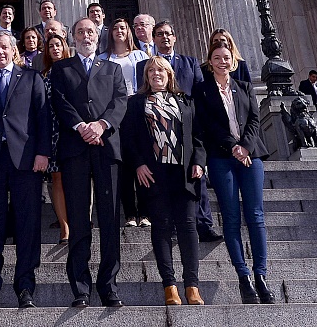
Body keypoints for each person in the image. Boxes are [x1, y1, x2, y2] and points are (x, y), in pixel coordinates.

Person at [0, 30, 51, 309]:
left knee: (28, 223)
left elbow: (42, 118)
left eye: (5, 47)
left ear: (14, 50)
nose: (0, 52)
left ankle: (25, 286)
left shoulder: (31, 78)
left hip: (26, 160)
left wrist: (43, 153)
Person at [49, 17, 128, 308]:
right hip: (75, 148)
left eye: (90, 31)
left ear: (98, 35)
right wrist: (82, 126)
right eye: (80, 31)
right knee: (79, 219)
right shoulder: (61, 69)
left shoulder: (113, 68)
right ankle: (80, 287)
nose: (86, 35)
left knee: (109, 219)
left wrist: (101, 125)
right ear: (73, 37)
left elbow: (120, 102)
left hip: (107, 149)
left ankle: (109, 286)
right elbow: (59, 102)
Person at [194, 39, 274, 304]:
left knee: (256, 216)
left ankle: (261, 275)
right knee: (230, 217)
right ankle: (243, 277)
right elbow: (207, 125)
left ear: (234, 60)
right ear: (210, 62)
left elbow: (254, 119)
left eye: (226, 57)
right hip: (221, 158)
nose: (222, 61)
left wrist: (246, 147)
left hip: (252, 157)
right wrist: (233, 147)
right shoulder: (202, 90)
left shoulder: (244, 87)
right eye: (217, 58)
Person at [123, 57, 207, 306]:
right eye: (151, 71)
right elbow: (128, 138)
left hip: (184, 174)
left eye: (161, 70)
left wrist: (199, 162)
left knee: (188, 228)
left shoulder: (185, 102)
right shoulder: (136, 103)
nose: (156, 74)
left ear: (170, 74)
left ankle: (192, 286)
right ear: (146, 77)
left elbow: (198, 137)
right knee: (161, 227)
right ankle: (169, 285)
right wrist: (138, 164)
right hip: (153, 173)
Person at [137, 20, 221, 243]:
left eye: (168, 34)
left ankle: (204, 224)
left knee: (198, 178)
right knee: (167, 182)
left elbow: (200, 92)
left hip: (188, 126)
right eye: (160, 34)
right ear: (153, 39)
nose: (164, 38)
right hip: (160, 132)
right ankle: (174, 224)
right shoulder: (146, 65)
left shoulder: (190, 62)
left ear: (175, 37)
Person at [99, 18, 150, 229]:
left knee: (142, 158)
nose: (119, 31)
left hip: (137, 109)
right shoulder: (102, 58)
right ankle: (130, 212)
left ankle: (145, 212)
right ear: (109, 33)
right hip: (114, 112)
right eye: (115, 28)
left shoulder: (140, 55)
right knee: (124, 162)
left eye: (123, 28)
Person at [40, 25, 71, 242]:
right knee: (57, 178)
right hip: (52, 129)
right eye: (51, 46)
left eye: (58, 44)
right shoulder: (44, 74)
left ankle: (79, 221)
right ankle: (64, 227)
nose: (55, 48)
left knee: (76, 178)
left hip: (72, 129)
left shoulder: (75, 69)